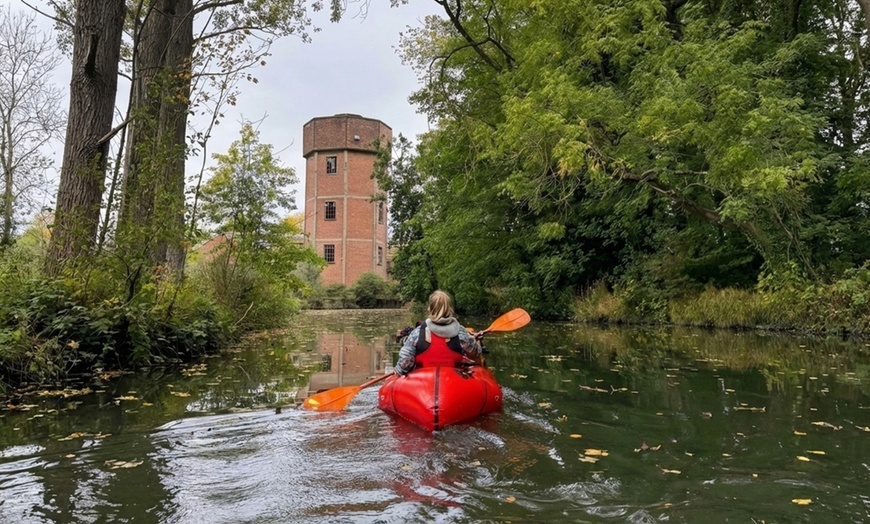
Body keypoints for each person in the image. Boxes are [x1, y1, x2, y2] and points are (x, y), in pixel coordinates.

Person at [394, 290, 482, 377]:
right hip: (452, 379)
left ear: (430, 309)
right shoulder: (460, 332)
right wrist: (477, 342)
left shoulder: (417, 332)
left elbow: (405, 361)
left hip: (423, 379)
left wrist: (398, 373)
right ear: (449, 309)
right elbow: (475, 353)